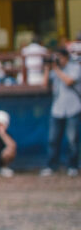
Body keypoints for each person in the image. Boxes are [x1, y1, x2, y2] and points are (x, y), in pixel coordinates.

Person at [40, 47, 81, 177]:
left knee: (72, 139)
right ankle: (51, 166)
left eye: (59, 57)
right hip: (57, 109)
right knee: (53, 139)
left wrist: (56, 69)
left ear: (65, 57)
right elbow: (44, 85)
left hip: (73, 107)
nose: (57, 60)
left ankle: (72, 166)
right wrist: (47, 68)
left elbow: (69, 81)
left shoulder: (75, 67)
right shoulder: (54, 69)